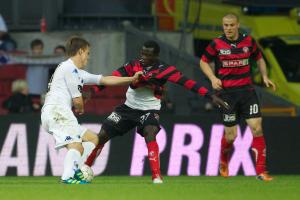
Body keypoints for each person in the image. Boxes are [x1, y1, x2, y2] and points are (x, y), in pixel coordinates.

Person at [84, 40, 229, 184]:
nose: (144, 57)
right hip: (128, 108)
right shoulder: (133, 65)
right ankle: (85, 168)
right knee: (102, 135)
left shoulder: (165, 70)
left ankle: (156, 176)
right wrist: (92, 91)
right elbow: (112, 78)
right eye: (142, 53)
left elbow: (189, 83)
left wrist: (211, 96)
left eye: (148, 55)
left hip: (149, 109)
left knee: (150, 132)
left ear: (156, 56)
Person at [41, 36, 141, 184]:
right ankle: (68, 177)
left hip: (57, 113)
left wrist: (131, 79)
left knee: (94, 139)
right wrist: (80, 107)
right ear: (80, 51)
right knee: (76, 146)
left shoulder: (77, 72)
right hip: (57, 111)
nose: (88, 57)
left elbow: (106, 79)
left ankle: (77, 171)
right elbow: (77, 101)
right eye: (87, 53)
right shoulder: (69, 68)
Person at [199, 13, 276, 181]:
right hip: (227, 95)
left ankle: (261, 172)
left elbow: (260, 58)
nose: (228, 28)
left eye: (231, 25)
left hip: (247, 93)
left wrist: (264, 76)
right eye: (225, 25)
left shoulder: (249, 41)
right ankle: (223, 160)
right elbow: (203, 61)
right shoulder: (216, 43)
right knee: (231, 136)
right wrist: (212, 78)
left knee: (256, 128)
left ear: (238, 25)